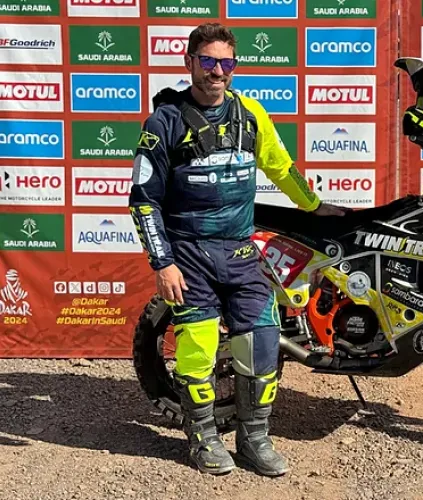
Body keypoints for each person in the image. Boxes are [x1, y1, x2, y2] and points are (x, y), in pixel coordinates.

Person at [128, 22, 348, 477]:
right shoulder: (164, 122)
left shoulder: (251, 114)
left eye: (226, 63)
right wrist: (163, 262)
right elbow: (143, 200)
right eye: (208, 61)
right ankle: (203, 437)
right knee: (198, 348)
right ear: (189, 62)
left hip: (241, 252)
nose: (217, 72)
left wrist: (313, 206)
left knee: (262, 342)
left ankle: (254, 438)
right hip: (189, 254)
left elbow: (281, 167)